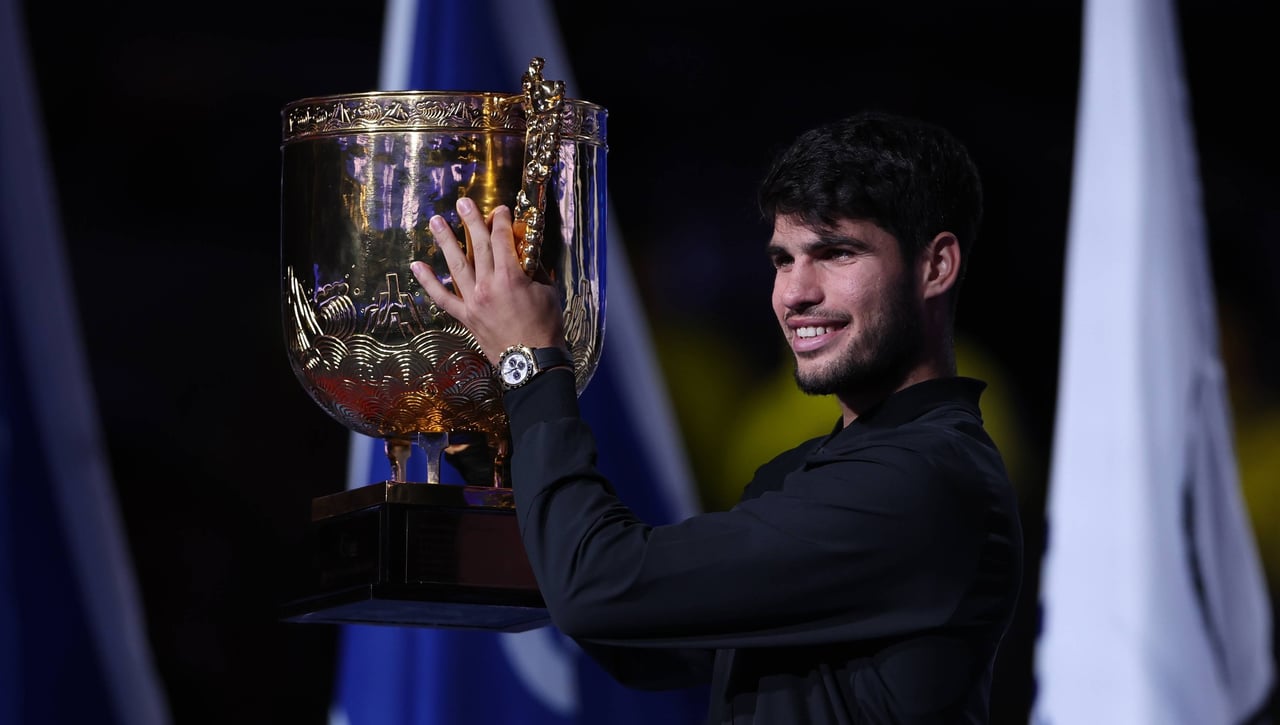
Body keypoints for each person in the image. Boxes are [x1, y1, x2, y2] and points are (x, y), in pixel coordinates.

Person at [410, 110, 1024, 724]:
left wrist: (531, 364)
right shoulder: (806, 473)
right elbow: (642, 643)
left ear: (936, 266)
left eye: (836, 253)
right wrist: (481, 442)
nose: (795, 293)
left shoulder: (925, 478)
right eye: (783, 259)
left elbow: (599, 589)